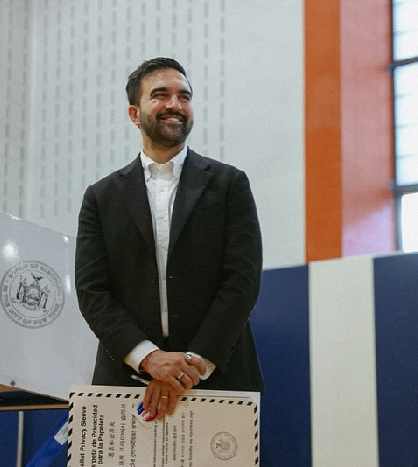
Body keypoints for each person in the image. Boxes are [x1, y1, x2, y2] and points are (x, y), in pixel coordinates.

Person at [75, 57, 264, 420]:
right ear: (135, 113)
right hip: (125, 381)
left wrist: (187, 366)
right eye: (160, 95)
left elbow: (242, 281)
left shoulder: (230, 184)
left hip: (219, 377)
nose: (175, 105)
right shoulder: (100, 197)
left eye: (184, 96)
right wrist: (148, 358)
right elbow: (92, 291)